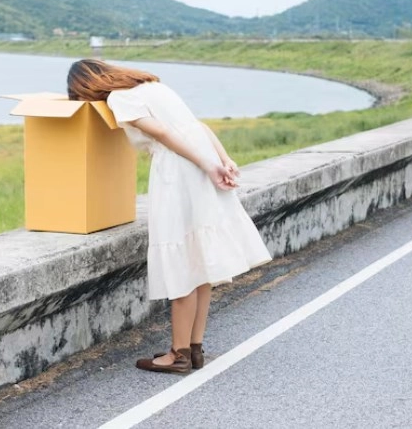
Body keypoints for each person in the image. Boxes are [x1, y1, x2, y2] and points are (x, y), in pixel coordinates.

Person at [67, 59, 272, 374]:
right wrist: (222, 159)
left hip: (178, 172)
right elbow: (197, 126)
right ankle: (194, 349)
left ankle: (177, 355)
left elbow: (161, 132)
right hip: (199, 164)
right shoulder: (153, 87)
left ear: (87, 86)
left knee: (181, 261)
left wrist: (208, 164)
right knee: (200, 261)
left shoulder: (119, 98)